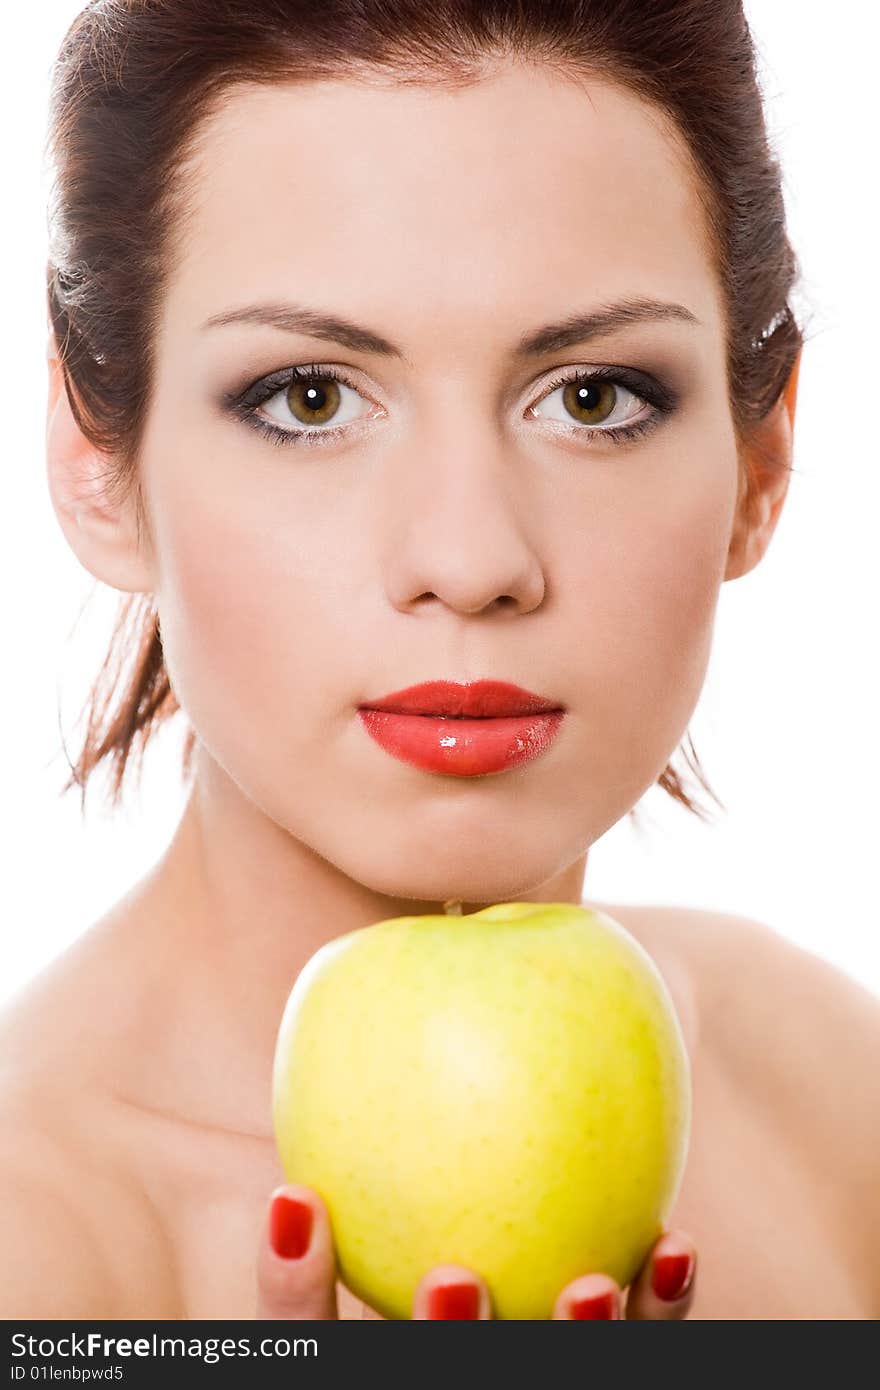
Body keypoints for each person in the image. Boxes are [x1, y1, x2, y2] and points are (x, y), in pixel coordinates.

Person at [1, 0, 877, 1321]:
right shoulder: (38, 1252)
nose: (470, 558)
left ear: (763, 461)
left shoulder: (829, 1087)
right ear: (94, 459)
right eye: (309, 396)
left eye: (594, 397)